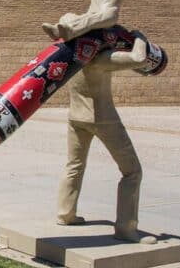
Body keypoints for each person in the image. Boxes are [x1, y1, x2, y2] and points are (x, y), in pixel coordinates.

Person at [56, 33, 156, 244]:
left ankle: (66, 213)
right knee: (132, 171)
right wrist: (139, 37)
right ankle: (126, 228)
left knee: (74, 164)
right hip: (103, 118)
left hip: (76, 117)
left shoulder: (72, 56)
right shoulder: (101, 59)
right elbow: (139, 59)